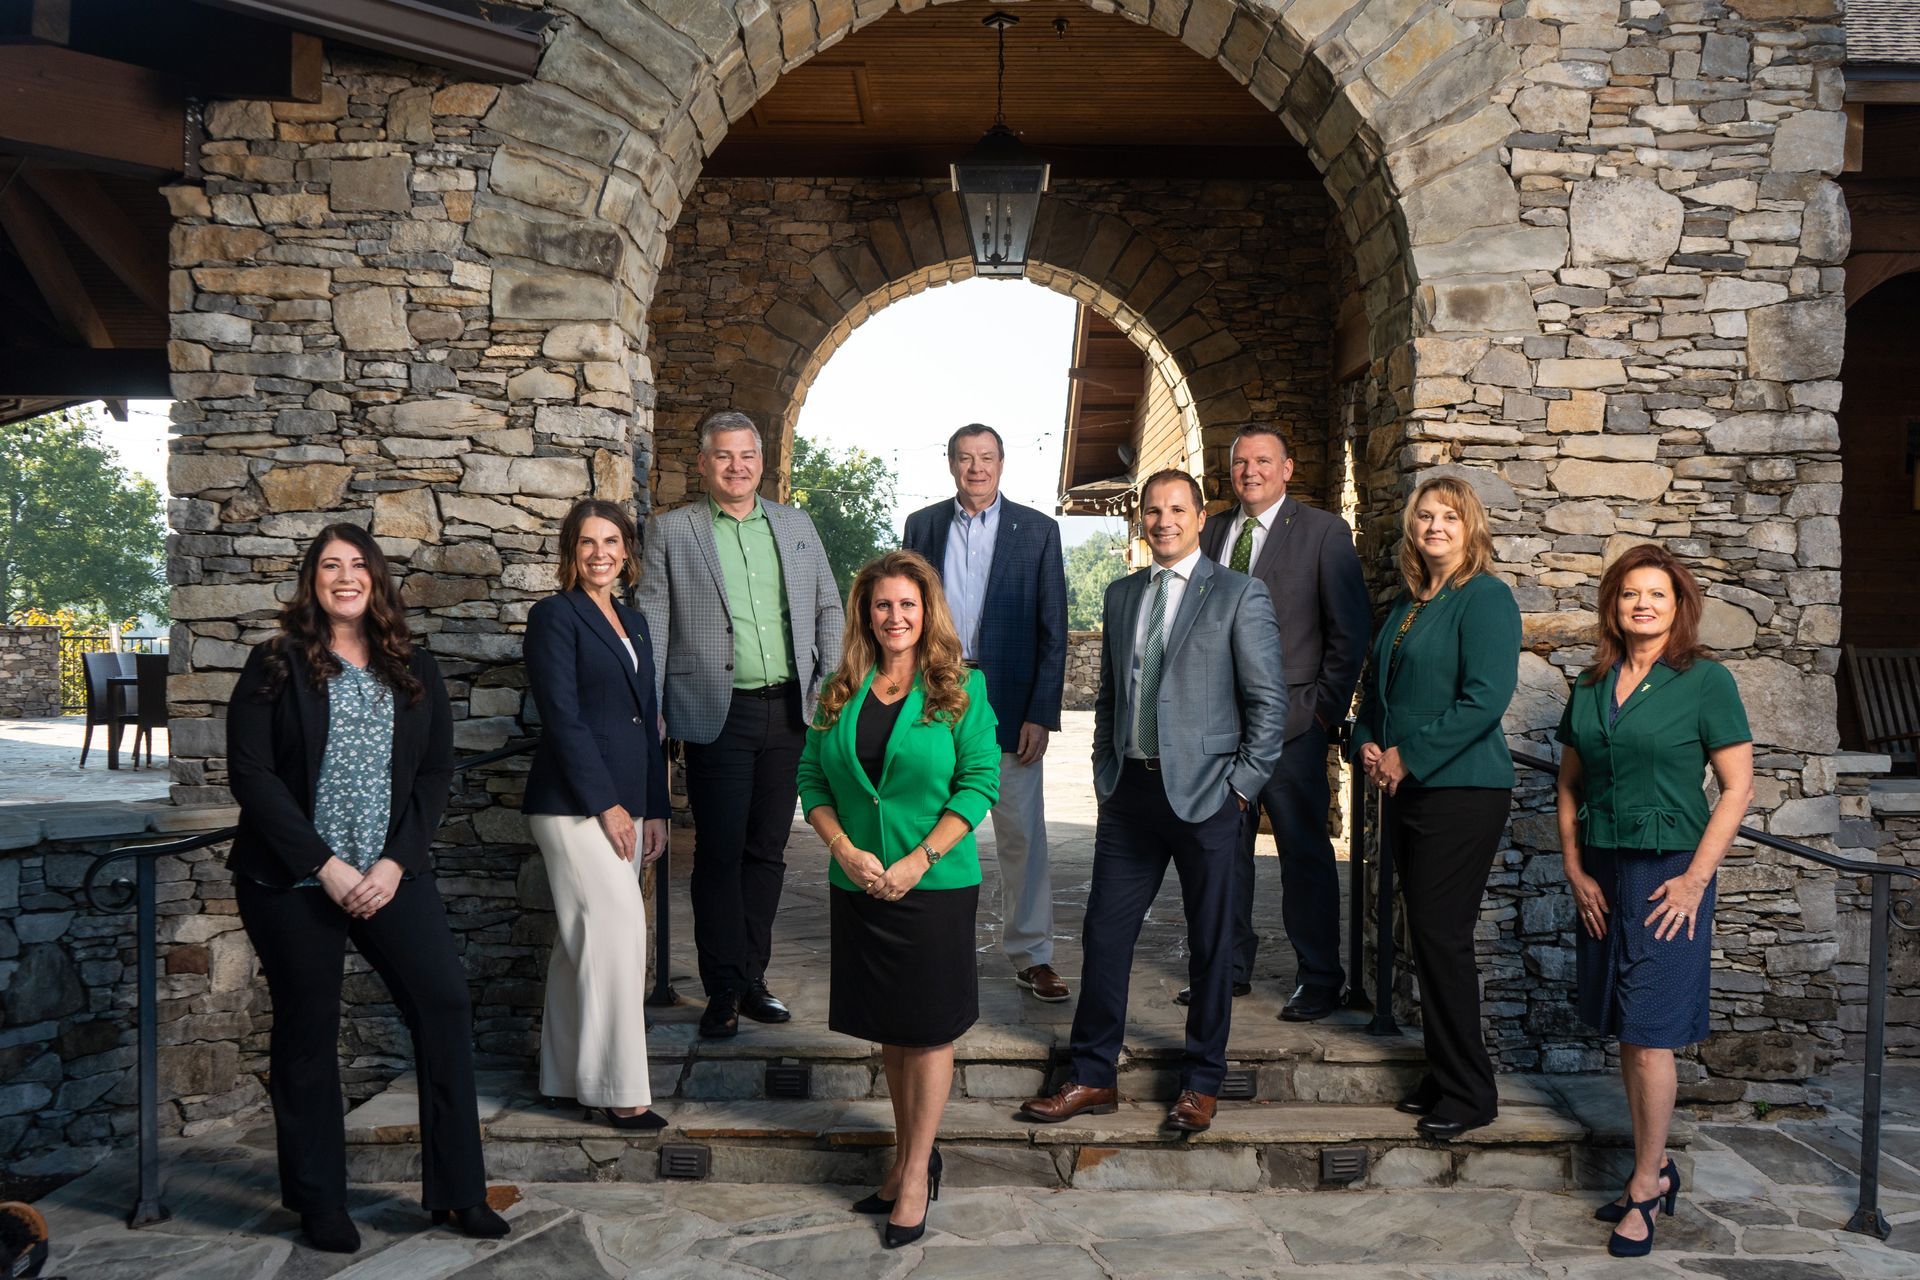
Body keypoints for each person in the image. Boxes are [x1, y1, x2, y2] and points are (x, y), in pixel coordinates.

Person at [226, 524, 507, 1253]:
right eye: (330, 565)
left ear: (376, 579)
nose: (345, 577)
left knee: (443, 1003)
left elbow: (435, 772)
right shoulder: (274, 663)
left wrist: (393, 864)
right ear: (312, 580)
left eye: (358, 565)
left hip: (387, 874)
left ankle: (460, 1192)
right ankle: (319, 1202)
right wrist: (325, 864)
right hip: (294, 878)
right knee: (308, 1028)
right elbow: (251, 774)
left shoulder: (412, 666)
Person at [1018, 470, 1286, 1135]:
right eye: (1153, 510)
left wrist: (1240, 790)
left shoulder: (1239, 593)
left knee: (1212, 943)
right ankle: (1092, 1075)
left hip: (1209, 796)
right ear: (1141, 519)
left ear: (1200, 517)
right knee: (1105, 934)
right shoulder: (1121, 595)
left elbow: (1268, 703)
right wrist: (1104, 770)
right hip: (1130, 793)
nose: (1164, 520)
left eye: (1176, 509)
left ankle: (1202, 1082)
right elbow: (1112, 695)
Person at [796, 550, 1000, 1248]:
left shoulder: (960, 688)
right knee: (891, 1028)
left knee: (929, 1030)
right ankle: (907, 1156)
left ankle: (914, 1173)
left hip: (934, 884)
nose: (895, 616)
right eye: (882, 604)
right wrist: (843, 849)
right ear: (865, 612)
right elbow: (811, 780)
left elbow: (979, 783)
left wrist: (919, 860)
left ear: (926, 610)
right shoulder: (839, 689)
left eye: (907, 604)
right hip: (860, 882)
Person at [1554, 543, 1752, 1258]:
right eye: (1630, 593)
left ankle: (1645, 1184)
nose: (1642, 604)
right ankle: (1656, 1166)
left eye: (1657, 594)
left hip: (1670, 871)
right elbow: (1569, 783)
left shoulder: (1705, 681)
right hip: (1603, 869)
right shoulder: (1590, 683)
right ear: (1613, 605)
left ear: (1678, 607)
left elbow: (1738, 787)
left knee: (1648, 1031)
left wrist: (1696, 880)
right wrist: (1574, 869)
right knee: (1626, 1030)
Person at [637, 410, 845, 1039]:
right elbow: (653, 618)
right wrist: (652, 703)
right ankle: (723, 988)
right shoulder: (672, 531)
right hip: (715, 711)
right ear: (704, 463)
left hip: (790, 712)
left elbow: (829, 605)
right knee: (720, 853)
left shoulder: (796, 525)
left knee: (767, 851)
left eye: (747, 455)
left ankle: (753, 978)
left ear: (762, 462)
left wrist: (827, 685)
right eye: (724, 456)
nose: (737, 466)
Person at [1350, 476, 1520, 1141]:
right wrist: (1368, 743)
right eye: (1424, 516)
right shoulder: (1408, 603)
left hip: (1463, 789)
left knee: (1442, 936)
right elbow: (1379, 694)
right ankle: (1447, 1070)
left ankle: (1471, 1093)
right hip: (1410, 787)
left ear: (1470, 527)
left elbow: (1485, 701)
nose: (1435, 526)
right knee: (1423, 935)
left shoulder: (1486, 598)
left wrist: (1408, 756)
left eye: (1449, 516)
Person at [1193, 423, 1369, 1021]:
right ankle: (1226, 970)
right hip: (1217, 727)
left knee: (1303, 853)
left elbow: (1349, 633)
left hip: (1293, 727)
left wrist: (1321, 712)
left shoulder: (1323, 532)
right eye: (1241, 462)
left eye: (1263, 461)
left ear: (1287, 469)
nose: (1251, 472)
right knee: (1220, 852)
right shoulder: (1210, 531)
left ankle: (1319, 978)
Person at [901, 423, 1070, 1003]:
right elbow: (904, 617)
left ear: (1001, 463)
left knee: (1021, 834)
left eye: (987, 457)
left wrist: (1041, 712)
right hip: (936, 693)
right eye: (966, 458)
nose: (976, 468)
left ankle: (1033, 956)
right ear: (951, 464)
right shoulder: (921, 526)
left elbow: (1054, 630)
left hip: (1011, 704)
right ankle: (926, 945)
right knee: (929, 823)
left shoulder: (1038, 531)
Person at [524, 499, 673, 1130]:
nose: (600, 553)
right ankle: (619, 1090)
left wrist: (655, 808)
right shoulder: (554, 616)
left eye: (611, 540)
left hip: (629, 803)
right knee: (617, 935)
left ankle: (562, 1076)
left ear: (626, 551)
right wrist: (608, 804)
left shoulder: (634, 622)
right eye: (588, 542)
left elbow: (648, 722)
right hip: (574, 807)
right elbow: (562, 718)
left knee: (580, 942)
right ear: (571, 551)